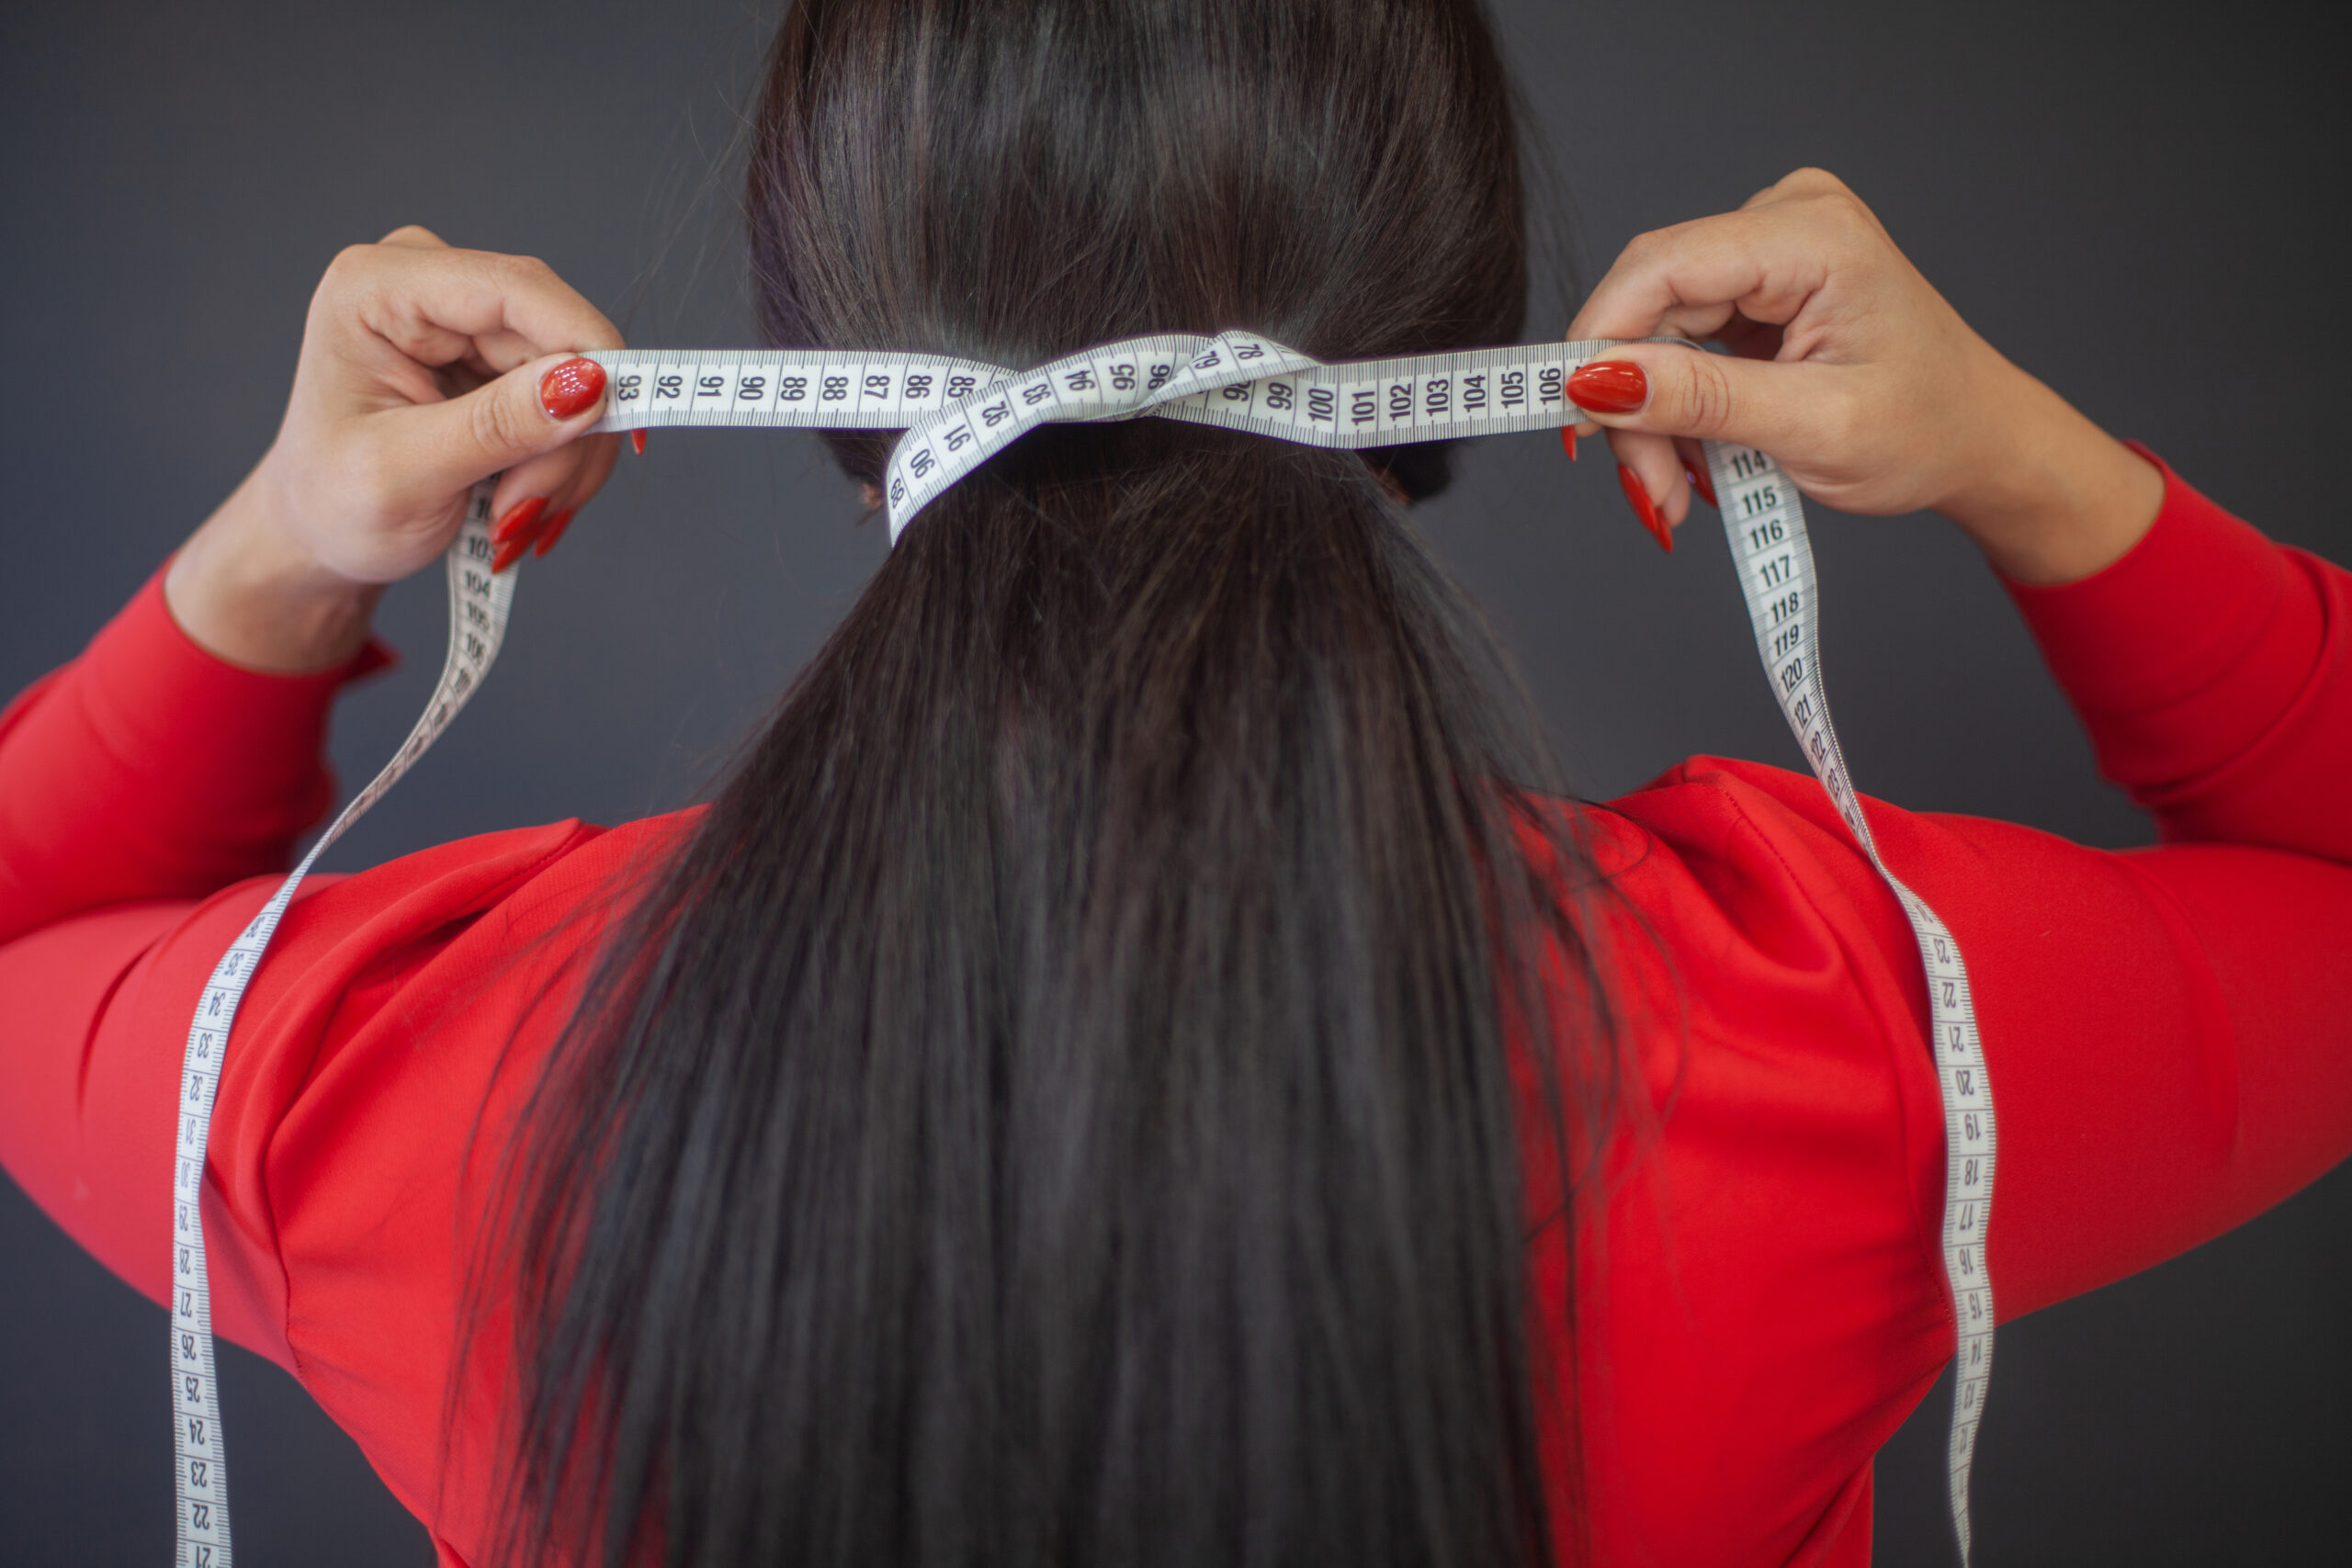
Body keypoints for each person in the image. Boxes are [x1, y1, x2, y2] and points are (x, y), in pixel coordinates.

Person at [1, 0, 2345, 1563]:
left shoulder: (437, 1061)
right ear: (1456, 354)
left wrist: (275, 551)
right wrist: (2028, 463)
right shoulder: (1825, 1024)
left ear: (817, 358)